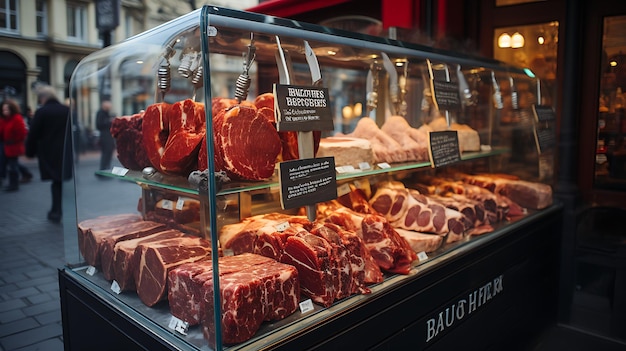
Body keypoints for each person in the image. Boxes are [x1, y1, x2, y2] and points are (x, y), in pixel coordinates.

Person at [25, 86, 71, 223]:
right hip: (64, 151)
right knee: (59, 180)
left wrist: (30, 151)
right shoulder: (65, 110)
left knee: (56, 181)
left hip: (49, 151)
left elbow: (33, 133)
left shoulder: (42, 112)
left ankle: (56, 211)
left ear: (43, 98)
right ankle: (57, 209)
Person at [1, 99, 30, 191]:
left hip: (14, 146)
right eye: (3, 110)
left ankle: (14, 184)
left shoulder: (17, 118)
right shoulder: (3, 119)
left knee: (12, 166)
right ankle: (25, 173)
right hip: (5, 145)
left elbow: (22, 133)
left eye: (7, 110)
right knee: (9, 163)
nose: (5, 112)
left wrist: (14, 141)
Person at [96, 100, 115, 171]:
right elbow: (99, 124)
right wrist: (109, 121)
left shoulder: (106, 113)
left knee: (108, 152)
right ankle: (104, 168)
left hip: (108, 135)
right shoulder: (101, 113)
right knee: (106, 152)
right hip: (105, 136)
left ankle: (106, 167)